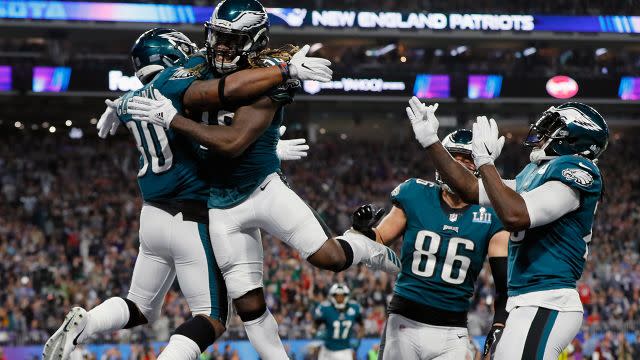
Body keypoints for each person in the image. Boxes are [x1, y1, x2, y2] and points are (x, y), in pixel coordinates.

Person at [122, 1, 400, 358]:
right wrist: (121, 105)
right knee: (249, 305)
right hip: (221, 204)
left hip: (264, 189)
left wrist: (175, 119)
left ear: (255, 41)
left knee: (329, 258)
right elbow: (198, 94)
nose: (221, 47)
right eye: (218, 36)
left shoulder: (270, 71)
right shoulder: (209, 65)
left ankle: (364, 245)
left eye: (232, 39)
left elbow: (233, 142)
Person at [43, 27, 326, 360]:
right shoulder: (177, 83)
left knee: (139, 306)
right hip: (190, 214)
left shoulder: (134, 98)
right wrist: (284, 70)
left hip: (152, 216)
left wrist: (270, 149)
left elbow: (172, 125)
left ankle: (86, 322)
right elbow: (221, 103)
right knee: (212, 317)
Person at [406, 97, 608, 359]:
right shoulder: (534, 172)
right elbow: (470, 190)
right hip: (526, 300)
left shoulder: (578, 169)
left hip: (547, 300)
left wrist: (485, 163)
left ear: (572, 137)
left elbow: (516, 216)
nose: (544, 132)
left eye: (553, 127)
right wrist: (431, 142)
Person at [352, 129, 509, 359]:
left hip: (452, 330)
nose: (460, 165)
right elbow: (379, 239)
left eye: (468, 159)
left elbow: (504, 285)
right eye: (454, 157)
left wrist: (499, 326)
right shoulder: (415, 194)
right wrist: (362, 230)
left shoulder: (492, 213)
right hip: (404, 322)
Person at [314, 284, 363, 360]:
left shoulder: (354, 308)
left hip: (345, 350)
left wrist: (358, 340)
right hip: (327, 350)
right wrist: (316, 333)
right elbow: (315, 325)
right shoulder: (325, 308)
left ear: (346, 296)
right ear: (332, 296)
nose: (339, 298)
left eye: (342, 296)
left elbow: (362, 326)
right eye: (337, 296)